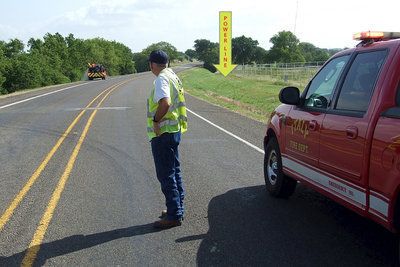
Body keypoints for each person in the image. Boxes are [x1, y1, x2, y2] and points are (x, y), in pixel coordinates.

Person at [146, 50, 188, 229]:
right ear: (168, 62)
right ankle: (177, 208)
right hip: (174, 130)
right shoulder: (173, 76)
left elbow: (166, 102)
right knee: (174, 171)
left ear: (151, 65)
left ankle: (174, 214)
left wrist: (156, 120)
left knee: (166, 173)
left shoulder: (162, 79)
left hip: (163, 133)